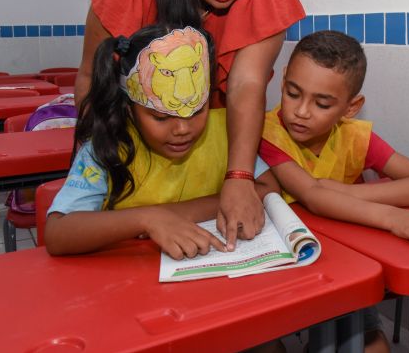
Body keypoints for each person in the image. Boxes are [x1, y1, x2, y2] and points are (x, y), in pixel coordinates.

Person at [76, 0, 305, 249]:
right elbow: (90, 75)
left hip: (208, 139)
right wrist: (97, 158)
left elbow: (246, 85)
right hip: (135, 135)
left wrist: (239, 175)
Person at [258, 30, 409, 353]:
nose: (301, 111)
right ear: (284, 80)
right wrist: (392, 217)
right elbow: (314, 197)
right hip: (291, 271)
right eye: (293, 93)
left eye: (322, 103)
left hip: (350, 267)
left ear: (350, 107)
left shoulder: (356, 138)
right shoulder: (267, 132)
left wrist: (346, 193)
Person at [45, 25, 271, 257]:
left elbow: (268, 188)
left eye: (195, 112)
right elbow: (57, 233)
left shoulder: (225, 131)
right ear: (130, 109)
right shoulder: (108, 146)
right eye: (161, 118)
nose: (182, 129)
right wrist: (148, 218)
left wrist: (174, 213)